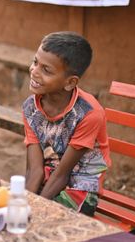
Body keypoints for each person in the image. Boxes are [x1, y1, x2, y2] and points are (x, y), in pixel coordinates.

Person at [23, 31, 110, 216]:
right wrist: (25, 204)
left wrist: (36, 208)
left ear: (70, 82)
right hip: (51, 173)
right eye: (35, 62)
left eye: (46, 70)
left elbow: (64, 173)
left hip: (81, 182)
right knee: (18, 205)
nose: (34, 71)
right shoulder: (31, 107)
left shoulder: (88, 114)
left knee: (50, 218)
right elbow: (35, 169)